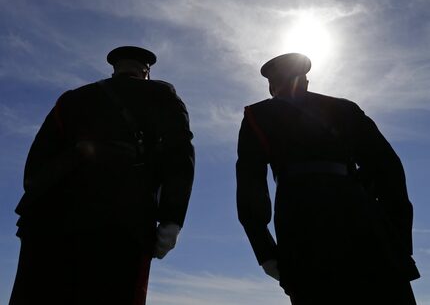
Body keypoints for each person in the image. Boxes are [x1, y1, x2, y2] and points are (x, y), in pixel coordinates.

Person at [10, 46, 195, 305]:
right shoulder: (162, 94)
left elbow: (36, 165)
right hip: (122, 221)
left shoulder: (72, 99)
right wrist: (171, 219)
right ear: (146, 71)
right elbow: (179, 155)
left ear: (114, 69)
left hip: (49, 221)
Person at [236, 52, 419, 305]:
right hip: (365, 222)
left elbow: (251, 186)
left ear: (272, 85)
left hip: (301, 225)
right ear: (306, 80)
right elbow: (388, 169)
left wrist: (265, 251)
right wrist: (398, 237)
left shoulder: (258, 116)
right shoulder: (345, 109)